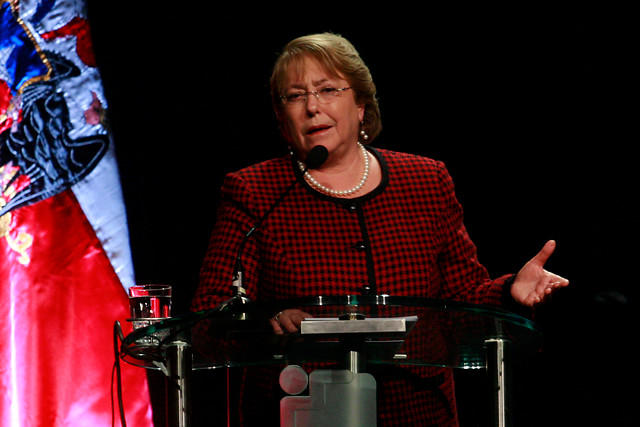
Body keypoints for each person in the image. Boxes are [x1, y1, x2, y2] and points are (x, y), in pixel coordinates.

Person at [191, 32, 568, 427]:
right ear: (281, 118)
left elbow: (463, 301)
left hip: (418, 411)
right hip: (302, 409)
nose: (313, 107)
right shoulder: (255, 190)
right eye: (295, 95)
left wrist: (511, 292)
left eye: (327, 89)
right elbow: (210, 314)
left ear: (360, 104)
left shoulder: (425, 180)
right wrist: (268, 321)